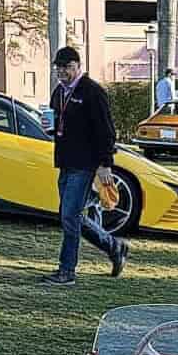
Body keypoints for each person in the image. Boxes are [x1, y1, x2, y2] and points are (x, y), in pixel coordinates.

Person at [41, 46, 128, 287]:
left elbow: (106, 131)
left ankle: (66, 271)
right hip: (65, 161)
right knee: (70, 215)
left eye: (67, 67)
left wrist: (105, 164)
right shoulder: (59, 92)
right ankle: (114, 247)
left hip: (85, 164)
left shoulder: (92, 92)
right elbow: (59, 123)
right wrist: (50, 127)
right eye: (59, 68)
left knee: (70, 215)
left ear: (78, 66)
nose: (62, 72)